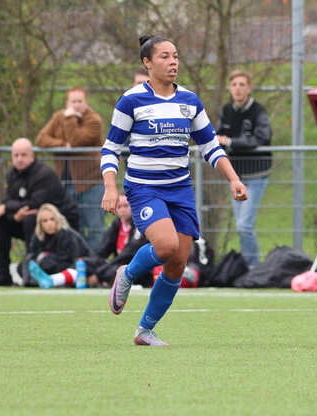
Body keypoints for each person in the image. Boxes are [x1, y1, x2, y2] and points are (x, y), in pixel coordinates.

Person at [101, 35, 248, 346]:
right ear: (147, 62)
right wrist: (110, 188)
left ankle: (144, 331)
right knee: (166, 245)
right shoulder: (131, 101)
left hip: (179, 189)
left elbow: (210, 147)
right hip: (144, 188)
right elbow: (111, 149)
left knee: (178, 262)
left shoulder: (190, 102)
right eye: (165, 57)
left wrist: (233, 179)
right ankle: (126, 273)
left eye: (176, 56)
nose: (173, 62)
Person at [0, 138, 80, 286]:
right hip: (29, 221)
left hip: (62, 224)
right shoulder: (12, 174)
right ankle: (4, 274)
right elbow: (7, 201)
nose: (19, 159)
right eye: (16, 155)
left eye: (23, 155)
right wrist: (13, 215)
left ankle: (30, 269)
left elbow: (37, 204)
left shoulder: (43, 173)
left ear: (32, 156)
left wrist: (8, 208)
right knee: (1, 221)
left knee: (31, 218)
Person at [36, 86, 106, 251]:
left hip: (91, 183)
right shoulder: (58, 117)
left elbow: (76, 141)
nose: (76, 105)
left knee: (96, 229)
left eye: (80, 101)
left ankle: (95, 268)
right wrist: (62, 145)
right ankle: (77, 265)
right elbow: (41, 139)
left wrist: (69, 119)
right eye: (73, 102)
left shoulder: (93, 120)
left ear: (86, 102)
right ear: (67, 103)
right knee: (74, 228)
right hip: (67, 184)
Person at [216, 69, 272, 267]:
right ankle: (249, 266)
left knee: (244, 225)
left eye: (242, 84)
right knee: (242, 226)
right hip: (236, 177)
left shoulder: (258, 111)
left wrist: (231, 142)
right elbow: (217, 136)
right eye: (234, 85)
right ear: (230, 89)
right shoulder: (227, 111)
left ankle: (253, 268)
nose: (238, 89)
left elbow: (260, 138)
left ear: (249, 88)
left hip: (256, 174)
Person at [80, 193, 151, 288]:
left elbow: (127, 254)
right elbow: (102, 251)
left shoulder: (140, 225)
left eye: (126, 206)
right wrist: (95, 264)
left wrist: (100, 272)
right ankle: (70, 280)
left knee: (114, 271)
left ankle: (100, 282)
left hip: (136, 267)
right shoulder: (116, 225)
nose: (122, 210)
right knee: (83, 263)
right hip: (116, 265)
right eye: (119, 206)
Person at [23, 204, 93, 289]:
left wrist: (46, 259)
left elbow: (74, 259)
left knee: (47, 263)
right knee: (26, 264)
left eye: (52, 219)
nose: (49, 224)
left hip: (77, 266)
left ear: (58, 219)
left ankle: (50, 280)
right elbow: (32, 257)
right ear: (40, 224)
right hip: (54, 265)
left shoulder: (67, 234)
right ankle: (37, 282)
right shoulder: (38, 236)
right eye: (45, 221)